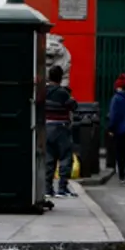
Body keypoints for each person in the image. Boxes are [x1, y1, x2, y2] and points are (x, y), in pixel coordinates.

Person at [44, 65, 78, 198]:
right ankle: (62, 188)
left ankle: (47, 188)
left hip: (46, 127)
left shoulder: (43, 91)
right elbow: (73, 106)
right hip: (61, 128)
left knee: (49, 159)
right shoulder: (63, 93)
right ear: (60, 77)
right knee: (65, 157)